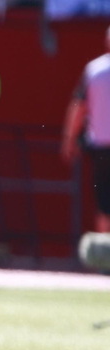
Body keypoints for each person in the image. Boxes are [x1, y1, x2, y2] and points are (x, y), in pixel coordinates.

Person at [60, 25, 110, 238]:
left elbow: (78, 107)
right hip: (100, 146)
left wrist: (69, 140)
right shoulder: (94, 70)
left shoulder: (94, 70)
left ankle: (105, 259)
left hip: (101, 147)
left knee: (104, 203)